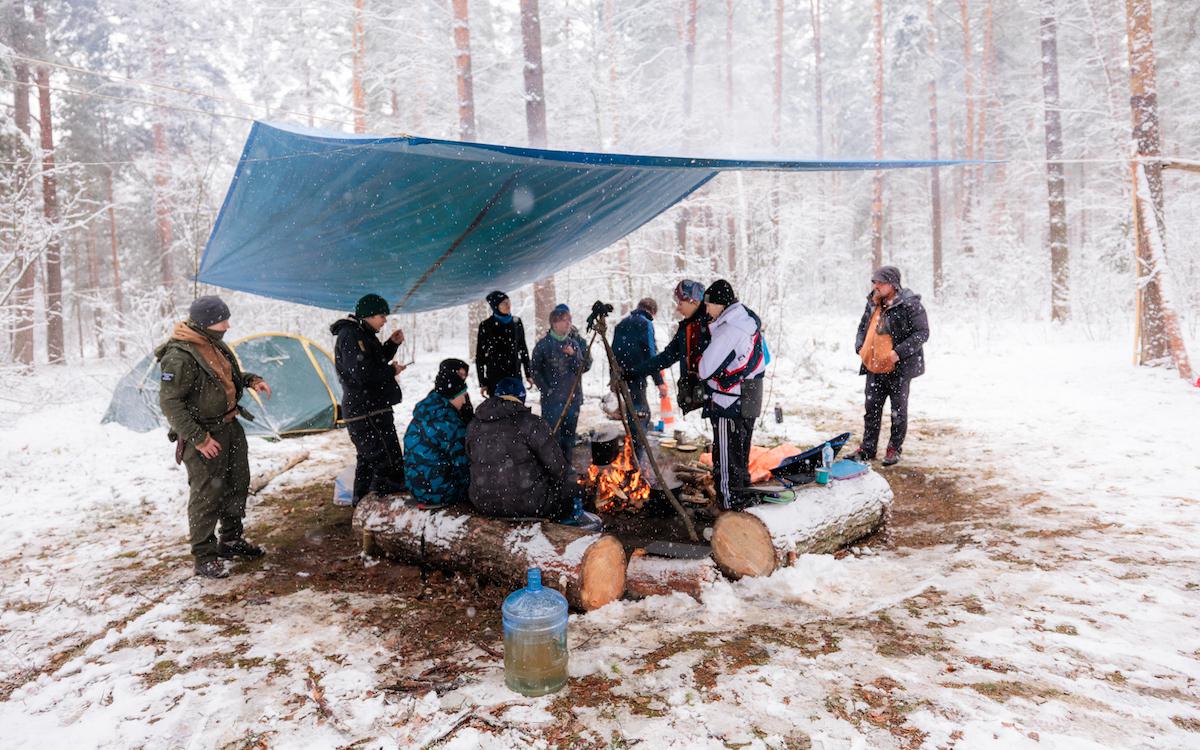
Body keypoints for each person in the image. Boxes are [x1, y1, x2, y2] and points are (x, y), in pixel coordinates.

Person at [157, 295, 272, 579]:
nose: (228, 325)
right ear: (207, 322)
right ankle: (204, 556)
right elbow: (171, 403)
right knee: (207, 494)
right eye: (223, 320)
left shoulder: (213, 344)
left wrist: (249, 380)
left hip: (230, 427)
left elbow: (224, 377)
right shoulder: (179, 356)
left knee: (236, 483)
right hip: (204, 435)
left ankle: (231, 540)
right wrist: (199, 438)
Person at [330, 293, 407, 505]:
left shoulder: (362, 333)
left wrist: (391, 344)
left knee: (368, 459)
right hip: (366, 410)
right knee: (386, 462)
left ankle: (361, 504)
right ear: (369, 315)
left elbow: (372, 361)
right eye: (382, 316)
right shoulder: (351, 335)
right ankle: (384, 510)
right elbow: (363, 373)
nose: (385, 320)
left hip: (371, 408)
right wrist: (391, 371)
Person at [698, 280, 768, 511]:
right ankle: (742, 496)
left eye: (709, 305)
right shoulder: (747, 321)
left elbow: (705, 369)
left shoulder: (729, 330)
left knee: (726, 457)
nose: (707, 310)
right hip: (750, 392)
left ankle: (729, 506)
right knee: (740, 452)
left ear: (720, 304)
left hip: (729, 400)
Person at [849, 265, 930, 466]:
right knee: (871, 409)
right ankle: (867, 449)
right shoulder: (873, 303)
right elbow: (862, 327)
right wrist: (860, 346)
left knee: (898, 411)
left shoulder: (910, 304)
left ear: (892, 284)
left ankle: (894, 449)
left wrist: (897, 353)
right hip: (873, 367)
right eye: (874, 282)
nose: (875, 285)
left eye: (880, 282)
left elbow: (922, 333)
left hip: (899, 369)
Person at [465, 377, 574, 520]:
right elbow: (558, 467)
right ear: (521, 397)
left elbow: (470, 459)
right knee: (571, 490)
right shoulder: (531, 423)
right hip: (529, 505)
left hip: (483, 503)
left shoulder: (474, 424)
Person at [629, 280, 711, 414]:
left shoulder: (712, 325)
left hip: (720, 399)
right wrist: (634, 372)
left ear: (693, 301)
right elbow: (665, 358)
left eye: (680, 303)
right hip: (701, 396)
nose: (677, 308)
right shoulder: (686, 329)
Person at [531, 304, 592, 467]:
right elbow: (535, 370)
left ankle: (567, 468)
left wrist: (573, 356)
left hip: (573, 399)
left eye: (570, 320)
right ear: (555, 323)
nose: (568, 324)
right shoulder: (543, 345)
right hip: (552, 402)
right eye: (565, 320)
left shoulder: (574, 344)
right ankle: (552, 470)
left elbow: (582, 368)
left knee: (569, 437)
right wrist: (547, 390)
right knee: (552, 437)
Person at [403, 366, 471, 507]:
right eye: (462, 395)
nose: (464, 401)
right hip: (442, 492)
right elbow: (462, 466)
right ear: (452, 396)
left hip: (417, 489)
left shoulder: (422, 415)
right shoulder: (451, 424)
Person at [612, 298, 667, 452]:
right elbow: (651, 355)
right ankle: (637, 459)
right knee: (641, 416)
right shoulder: (645, 324)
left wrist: (614, 377)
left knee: (633, 414)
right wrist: (659, 382)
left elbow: (613, 353)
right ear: (652, 312)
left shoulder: (621, 325)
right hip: (636, 377)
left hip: (622, 377)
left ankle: (632, 453)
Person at [475, 290, 532, 397]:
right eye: (504, 303)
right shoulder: (486, 325)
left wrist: (528, 373)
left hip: (514, 373)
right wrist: (482, 382)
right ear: (496, 306)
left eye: (508, 301)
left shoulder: (516, 322)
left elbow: (523, 349)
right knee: (498, 410)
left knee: (517, 408)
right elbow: (480, 356)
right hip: (495, 376)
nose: (508, 305)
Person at [437, 357, 474, 424]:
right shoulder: (436, 398)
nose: (463, 378)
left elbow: (469, 418)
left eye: (465, 375)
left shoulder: (463, 393)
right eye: (461, 374)